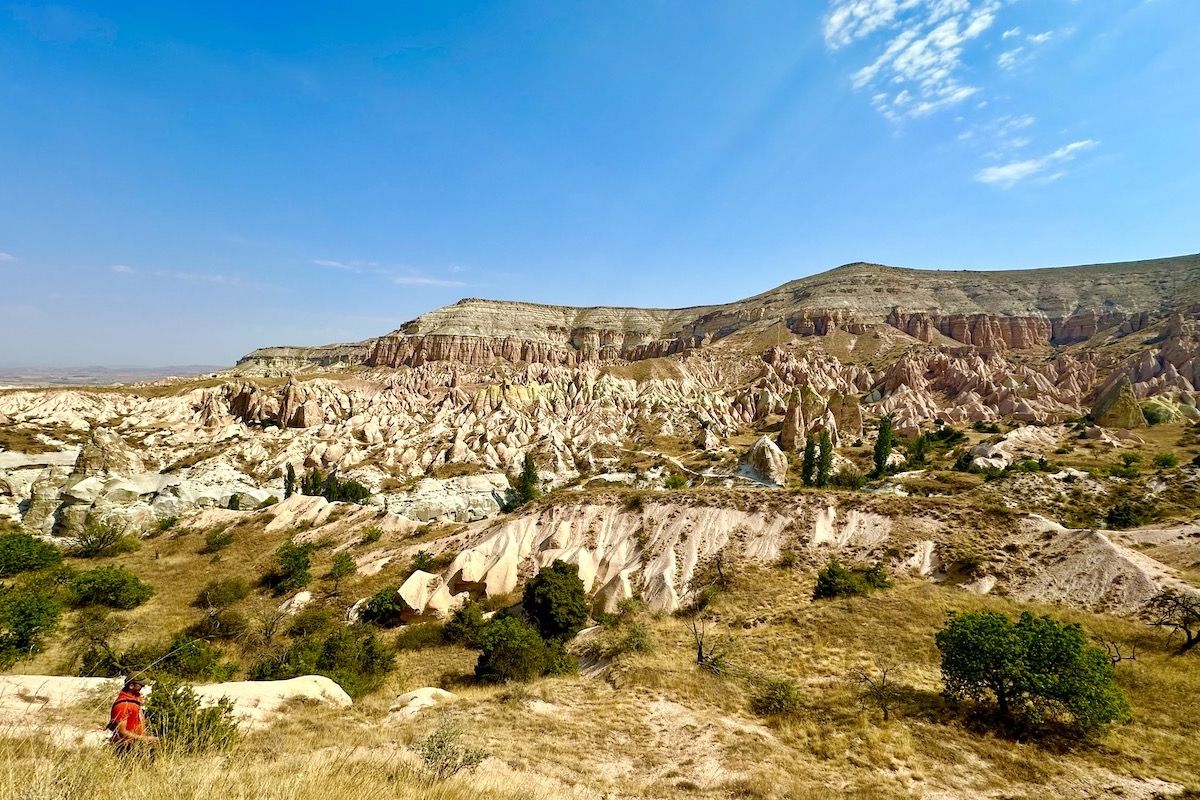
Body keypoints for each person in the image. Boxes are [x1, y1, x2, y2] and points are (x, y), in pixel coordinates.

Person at [108, 677, 157, 756]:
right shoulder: (123, 705)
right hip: (125, 749)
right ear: (131, 686)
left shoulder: (134, 700)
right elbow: (122, 732)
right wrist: (145, 739)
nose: (143, 687)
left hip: (136, 745)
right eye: (141, 685)